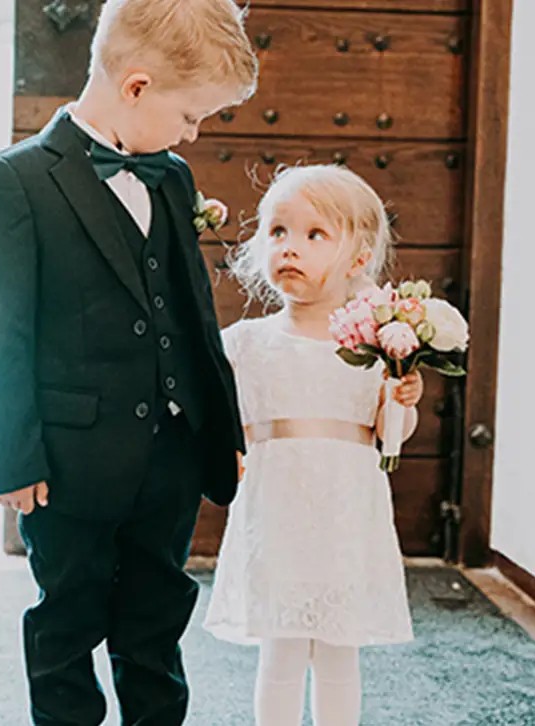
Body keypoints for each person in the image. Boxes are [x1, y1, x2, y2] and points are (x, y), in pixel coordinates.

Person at [0, 1, 258, 722]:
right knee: (67, 620)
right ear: (136, 87)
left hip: (170, 457)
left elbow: (192, 313)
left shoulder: (171, 178)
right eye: (192, 116)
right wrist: (8, 458)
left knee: (158, 620)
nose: (194, 134)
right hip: (68, 463)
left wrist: (220, 430)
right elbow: (1, 334)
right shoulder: (14, 180)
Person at [205, 165, 421, 725]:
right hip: (276, 512)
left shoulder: (374, 347)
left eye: (313, 234)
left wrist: (402, 396)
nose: (289, 248)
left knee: (336, 651)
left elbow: (387, 435)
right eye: (277, 232)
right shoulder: (246, 343)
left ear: (357, 258)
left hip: (345, 513)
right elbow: (214, 418)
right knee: (281, 650)